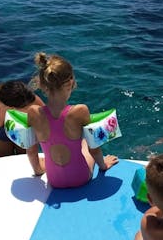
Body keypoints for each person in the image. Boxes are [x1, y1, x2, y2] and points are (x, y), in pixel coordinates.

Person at [26, 52, 118, 188]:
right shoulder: (79, 111)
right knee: (85, 141)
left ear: (42, 85)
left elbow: (31, 151)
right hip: (80, 178)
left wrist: (38, 171)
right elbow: (95, 149)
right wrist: (104, 166)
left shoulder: (33, 112)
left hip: (54, 180)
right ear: (70, 83)